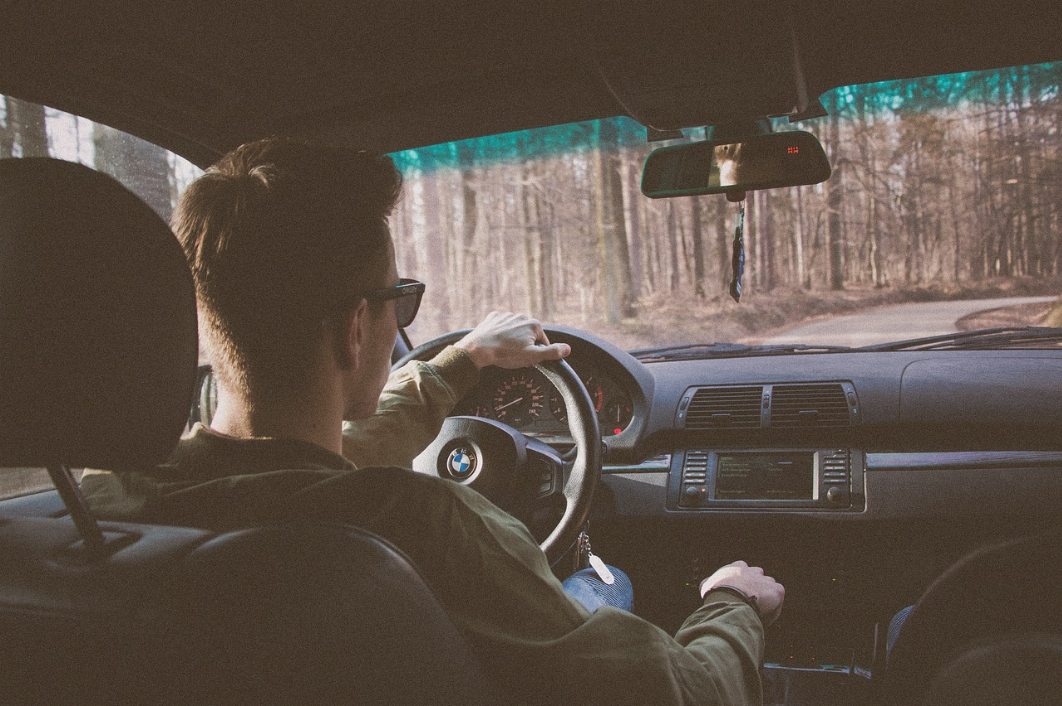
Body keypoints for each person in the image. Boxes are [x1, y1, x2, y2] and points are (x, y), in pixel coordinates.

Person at [82, 137, 784, 705]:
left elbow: (328, 458)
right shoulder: (422, 526)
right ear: (358, 328)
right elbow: (685, 695)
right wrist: (731, 606)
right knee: (609, 586)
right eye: (401, 300)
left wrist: (466, 361)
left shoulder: (94, 508)